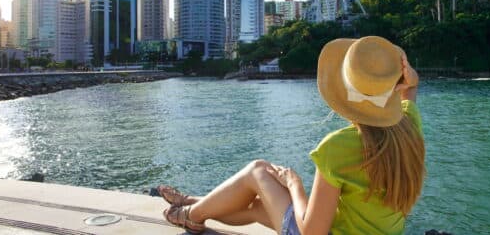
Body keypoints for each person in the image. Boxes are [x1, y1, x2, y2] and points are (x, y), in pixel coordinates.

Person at [158, 36, 426, 234]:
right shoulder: (409, 125)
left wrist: (295, 184)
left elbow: (311, 233)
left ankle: (191, 214)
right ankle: (194, 205)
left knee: (258, 170)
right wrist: (408, 83)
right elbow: (408, 96)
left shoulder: (339, 147)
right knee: (257, 208)